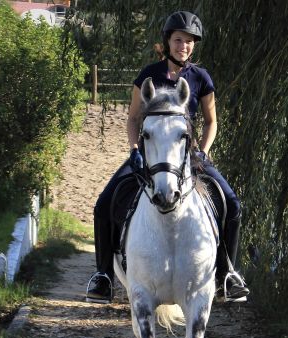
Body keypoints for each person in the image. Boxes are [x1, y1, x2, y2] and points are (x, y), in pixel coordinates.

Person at [86, 10, 249, 304]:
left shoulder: (201, 78)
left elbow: (212, 120)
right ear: (167, 42)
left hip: (189, 156)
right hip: (149, 156)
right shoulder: (148, 75)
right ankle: (103, 276)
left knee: (233, 204)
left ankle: (228, 274)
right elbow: (134, 118)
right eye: (178, 40)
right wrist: (135, 149)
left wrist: (203, 150)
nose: (183, 46)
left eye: (188, 41)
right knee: (104, 204)